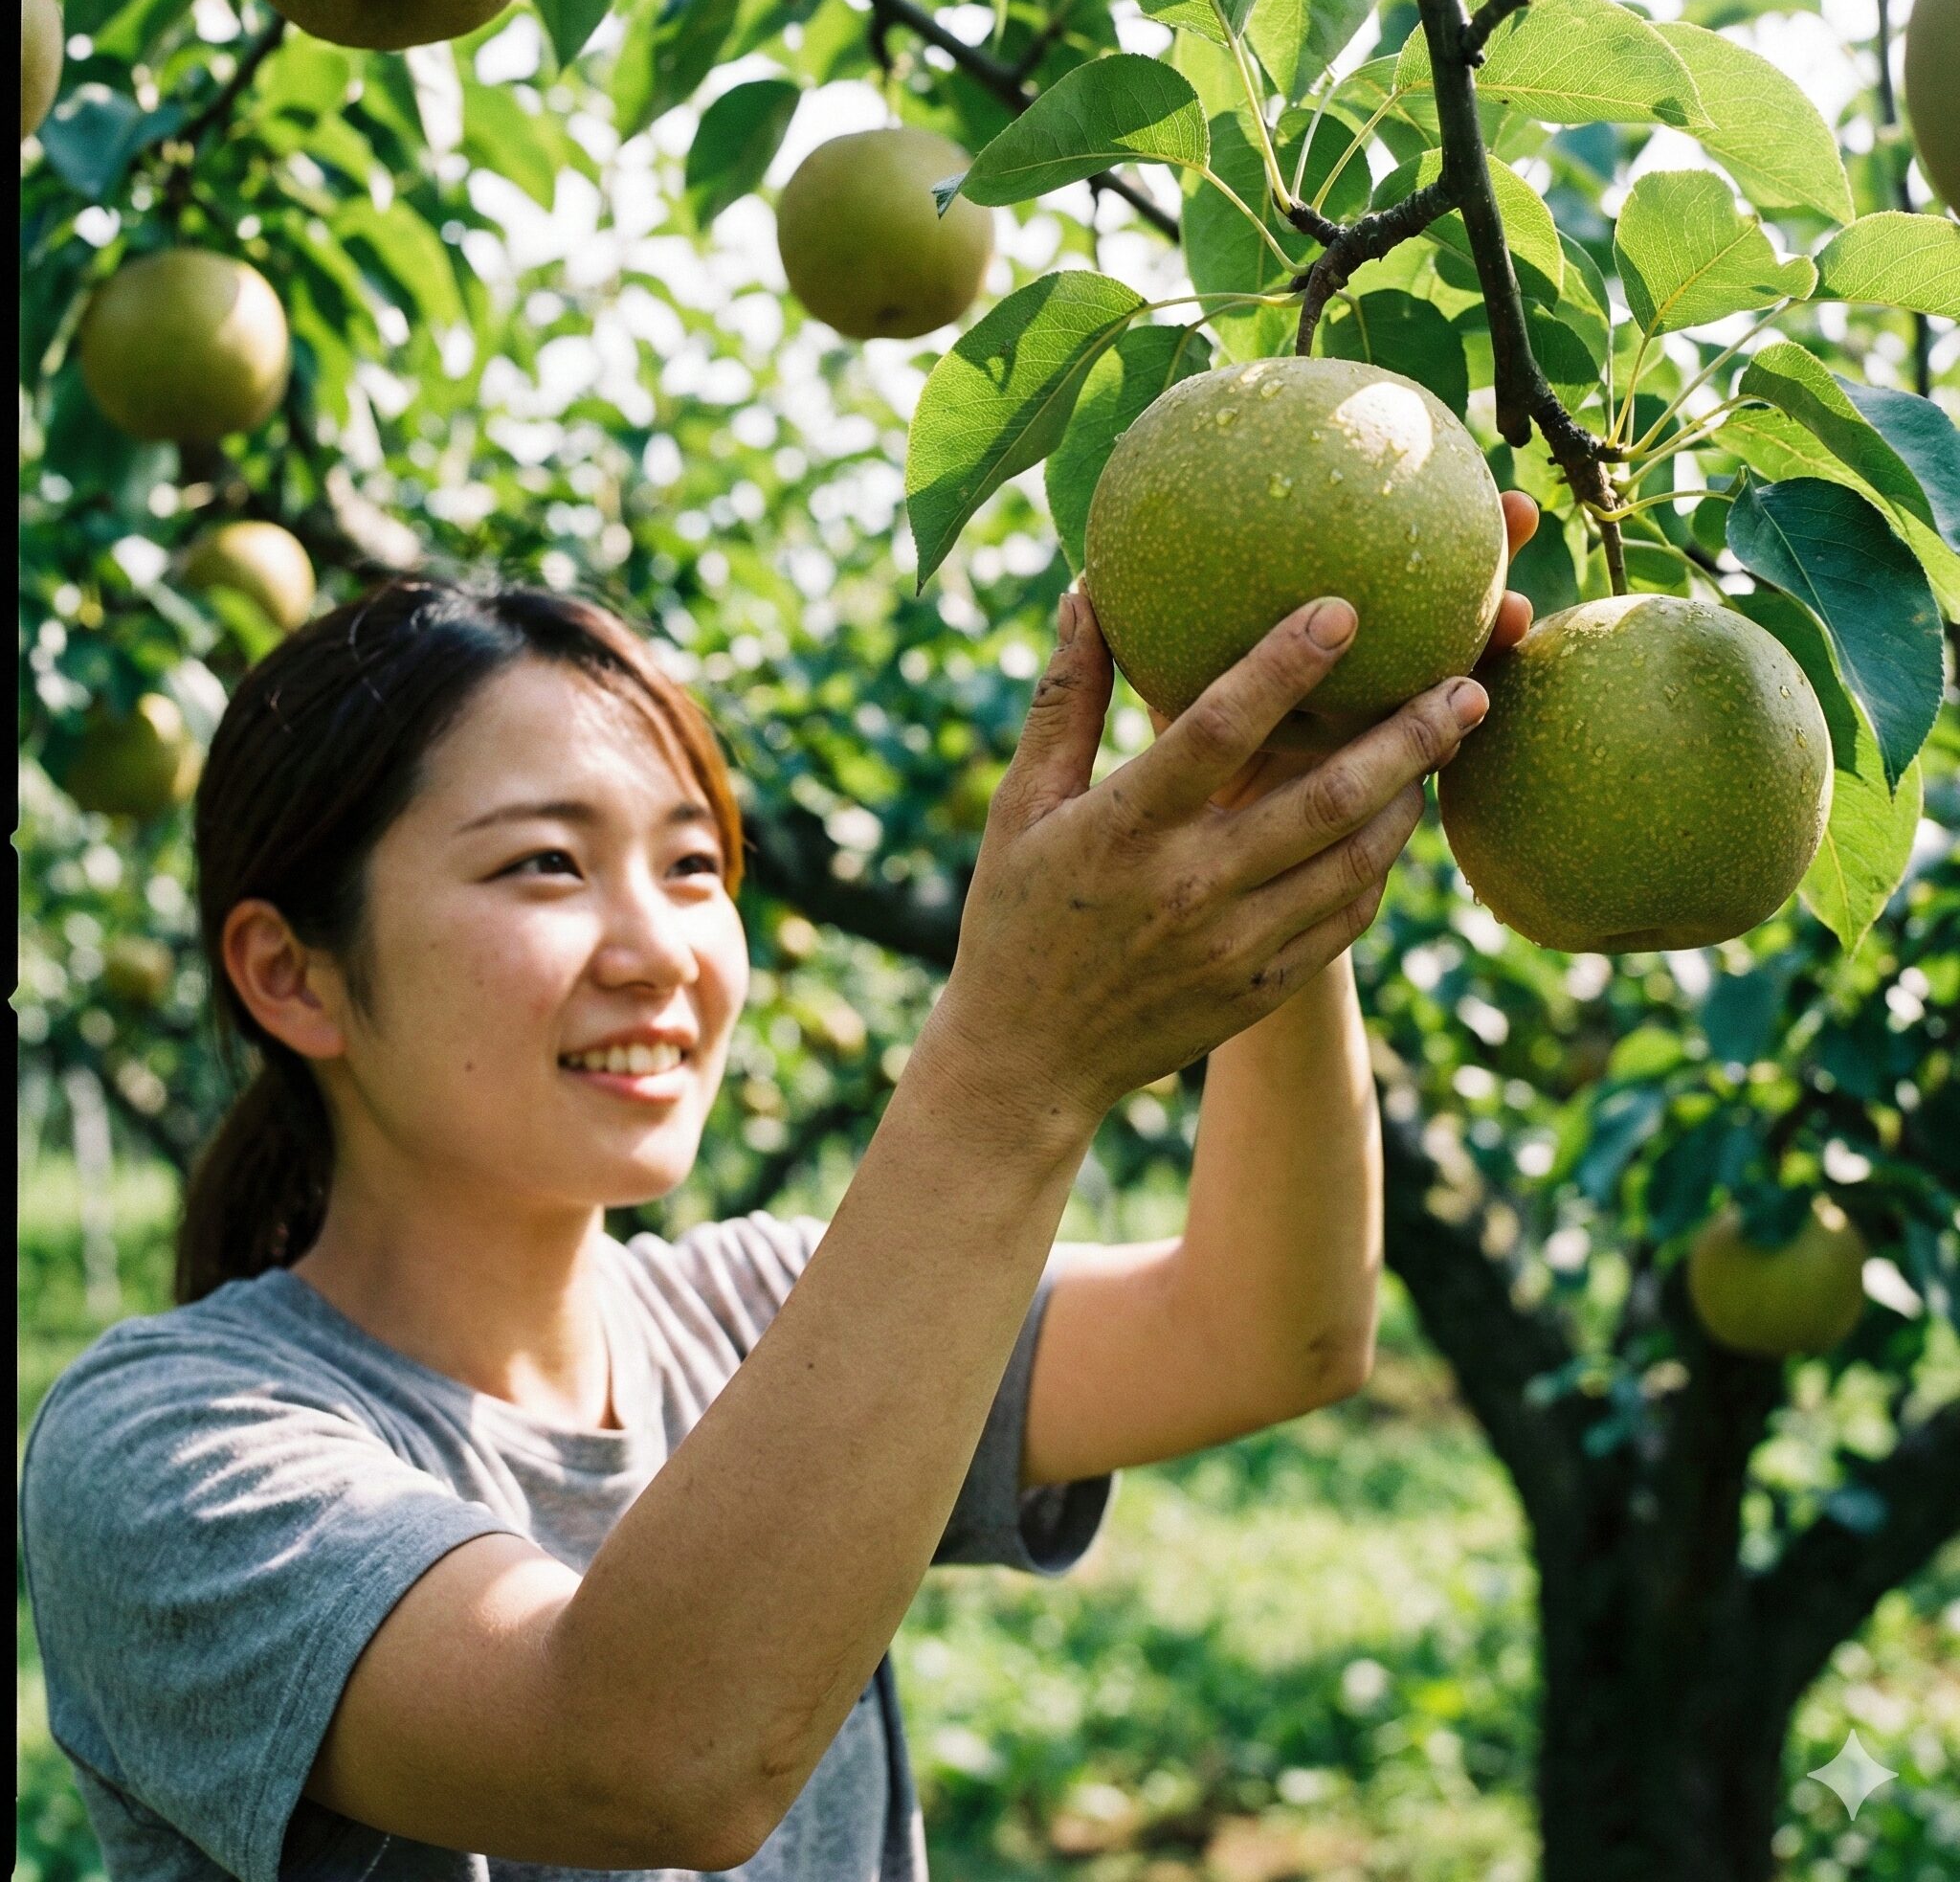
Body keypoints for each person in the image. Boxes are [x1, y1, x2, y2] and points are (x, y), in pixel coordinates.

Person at [19, 501, 1538, 1881]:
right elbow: (642, 1761)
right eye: (546, 866)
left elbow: (1268, 1331)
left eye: (694, 867)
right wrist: (1010, 1068)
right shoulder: (161, 1452)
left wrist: (1278, 835)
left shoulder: (762, 1313)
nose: (659, 949)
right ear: (294, 973)